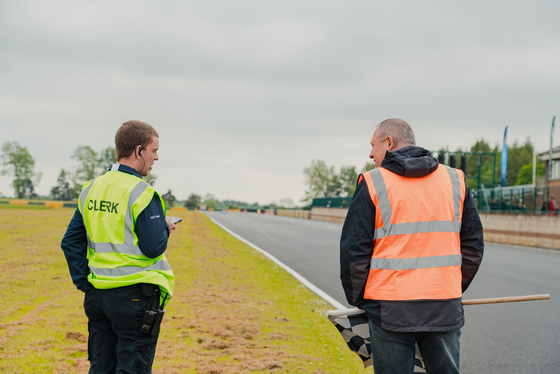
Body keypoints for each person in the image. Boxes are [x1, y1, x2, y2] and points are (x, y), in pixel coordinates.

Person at [340, 118, 484, 374]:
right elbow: (473, 246)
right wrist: (450, 286)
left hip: (389, 308)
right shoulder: (455, 180)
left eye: (373, 145)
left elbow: (354, 253)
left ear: (389, 142)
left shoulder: (373, 183)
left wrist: (362, 300)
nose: (371, 153)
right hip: (443, 305)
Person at [61, 120, 177, 374]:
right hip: (135, 299)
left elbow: (70, 242)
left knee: (100, 368)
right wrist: (165, 229)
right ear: (138, 151)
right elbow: (153, 248)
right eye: (154, 150)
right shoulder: (143, 193)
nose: (156, 157)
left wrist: (85, 285)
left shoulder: (90, 189)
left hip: (98, 296)